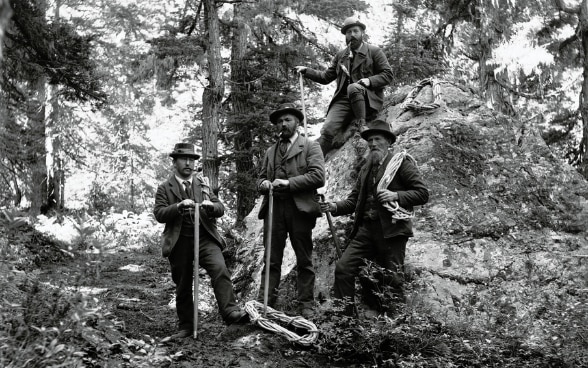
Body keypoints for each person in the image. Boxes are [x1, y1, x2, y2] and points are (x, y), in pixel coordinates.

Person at [320, 120, 429, 316]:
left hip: (392, 231)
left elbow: (422, 193)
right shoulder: (365, 168)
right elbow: (354, 202)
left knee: (392, 279)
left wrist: (397, 196)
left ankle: (398, 326)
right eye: (370, 140)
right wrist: (334, 206)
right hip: (366, 230)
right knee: (344, 269)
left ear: (388, 141)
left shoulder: (401, 164)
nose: (372, 143)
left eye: (377, 139)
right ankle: (346, 320)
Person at [154, 142, 248, 341]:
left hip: (205, 238)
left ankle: (230, 312)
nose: (188, 163)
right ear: (175, 162)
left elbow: (220, 207)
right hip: (179, 241)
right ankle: (187, 326)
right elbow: (160, 214)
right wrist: (178, 206)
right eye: (184, 159)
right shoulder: (165, 188)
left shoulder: (202, 184)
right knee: (183, 283)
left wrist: (211, 207)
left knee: (220, 269)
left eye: (192, 159)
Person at [257, 103, 326, 318]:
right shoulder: (270, 151)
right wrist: (263, 185)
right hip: (274, 209)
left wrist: (288, 183)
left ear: (297, 123)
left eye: (288, 120)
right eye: (280, 121)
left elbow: (318, 177)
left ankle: (306, 304)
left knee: (304, 258)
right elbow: (260, 178)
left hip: (300, 210)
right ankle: (265, 303)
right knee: (271, 258)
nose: (283, 124)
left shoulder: (310, 146)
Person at [294, 16, 393, 156]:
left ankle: (361, 123)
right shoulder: (341, 55)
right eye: (348, 32)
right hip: (344, 100)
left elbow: (388, 75)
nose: (352, 35)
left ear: (362, 33)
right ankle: (314, 162)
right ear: (345, 35)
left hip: (366, 97)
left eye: (355, 31)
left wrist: (369, 81)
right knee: (327, 129)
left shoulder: (374, 51)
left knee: (353, 87)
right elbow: (325, 77)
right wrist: (306, 71)